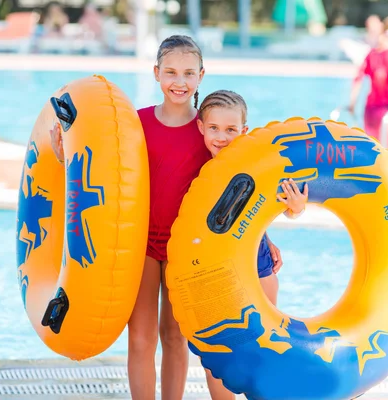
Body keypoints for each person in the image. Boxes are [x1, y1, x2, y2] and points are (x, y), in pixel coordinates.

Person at [49, 35, 284, 400]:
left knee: (175, 336)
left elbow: (235, 193)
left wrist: (263, 238)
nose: (180, 81)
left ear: (201, 76)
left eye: (189, 73)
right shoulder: (134, 124)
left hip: (185, 250)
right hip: (139, 245)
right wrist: (64, 154)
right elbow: (97, 174)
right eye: (171, 72)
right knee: (141, 338)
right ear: (156, 73)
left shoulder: (210, 131)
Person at [196, 89, 308, 400]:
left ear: (244, 131)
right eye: (215, 128)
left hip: (257, 264)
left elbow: (285, 206)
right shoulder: (197, 172)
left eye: (231, 130)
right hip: (214, 272)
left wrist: (296, 209)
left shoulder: (258, 166)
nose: (222, 137)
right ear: (201, 128)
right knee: (219, 353)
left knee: (264, 342)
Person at [348, 15, 388, 156]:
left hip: (370, 112)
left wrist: (352, 104)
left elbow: (358, 79)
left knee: (375, 155)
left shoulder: (372, 53)